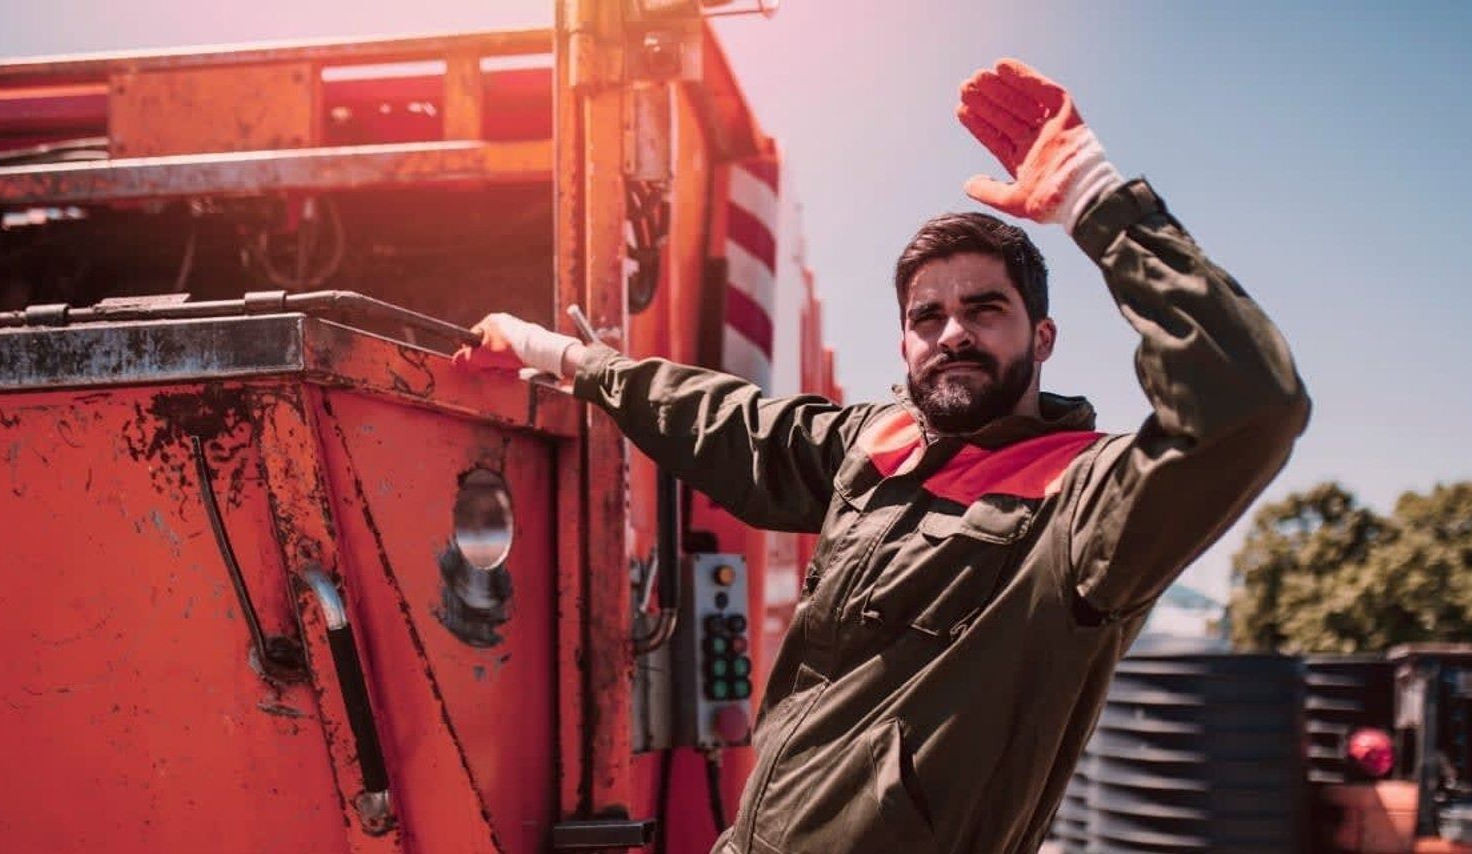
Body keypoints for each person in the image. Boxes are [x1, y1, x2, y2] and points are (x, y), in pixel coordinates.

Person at [456, 59, 1309, 854]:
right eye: (926, 317)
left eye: (986, 309)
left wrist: (1094, 198)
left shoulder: (1083, 509)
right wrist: (559, 355)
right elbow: (726, 419)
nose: (953, 334)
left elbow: (1250, 405)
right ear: (904, 343)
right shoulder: (878, 447)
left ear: (1042, 336)